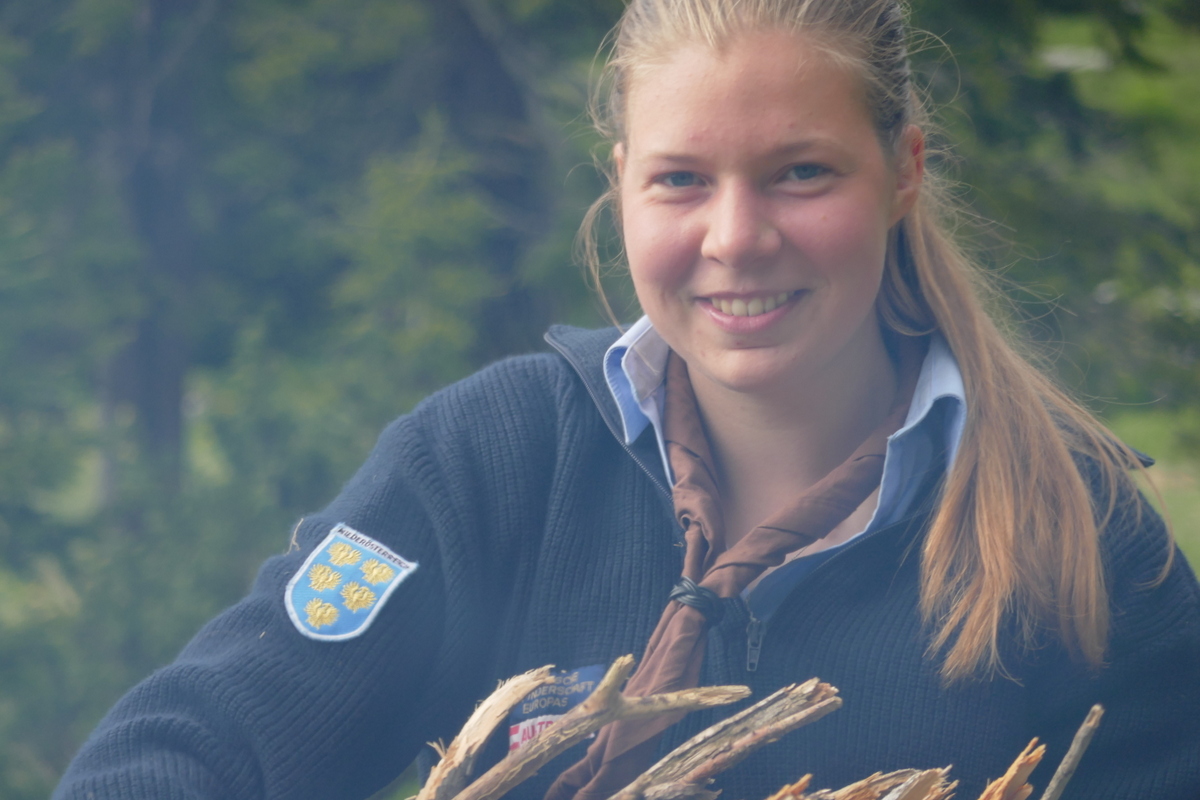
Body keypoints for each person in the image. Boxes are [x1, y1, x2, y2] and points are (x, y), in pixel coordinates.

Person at [53, 1, 1200, 799]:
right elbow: (193, 743)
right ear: (621, 184)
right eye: (681, 180)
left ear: (903, 170)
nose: (735, 236)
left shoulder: (1080, 533)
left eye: (801, 172)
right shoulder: (494, 459)